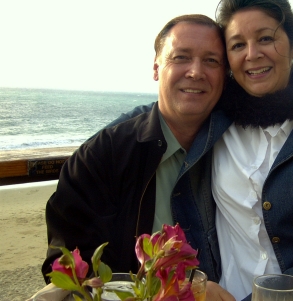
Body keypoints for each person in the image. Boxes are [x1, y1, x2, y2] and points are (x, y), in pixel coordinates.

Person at [102, 1, 293, 300]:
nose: (252, 54)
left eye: (266, 38)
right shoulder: (214, 117)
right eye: (237, 45)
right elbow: (156, 117)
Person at [42, 14, 234, 300]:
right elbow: (67, 268)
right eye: (181, 57)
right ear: (156, 68)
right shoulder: (101, 158)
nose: (196, 72)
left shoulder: (239, 148)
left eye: (211, 61)